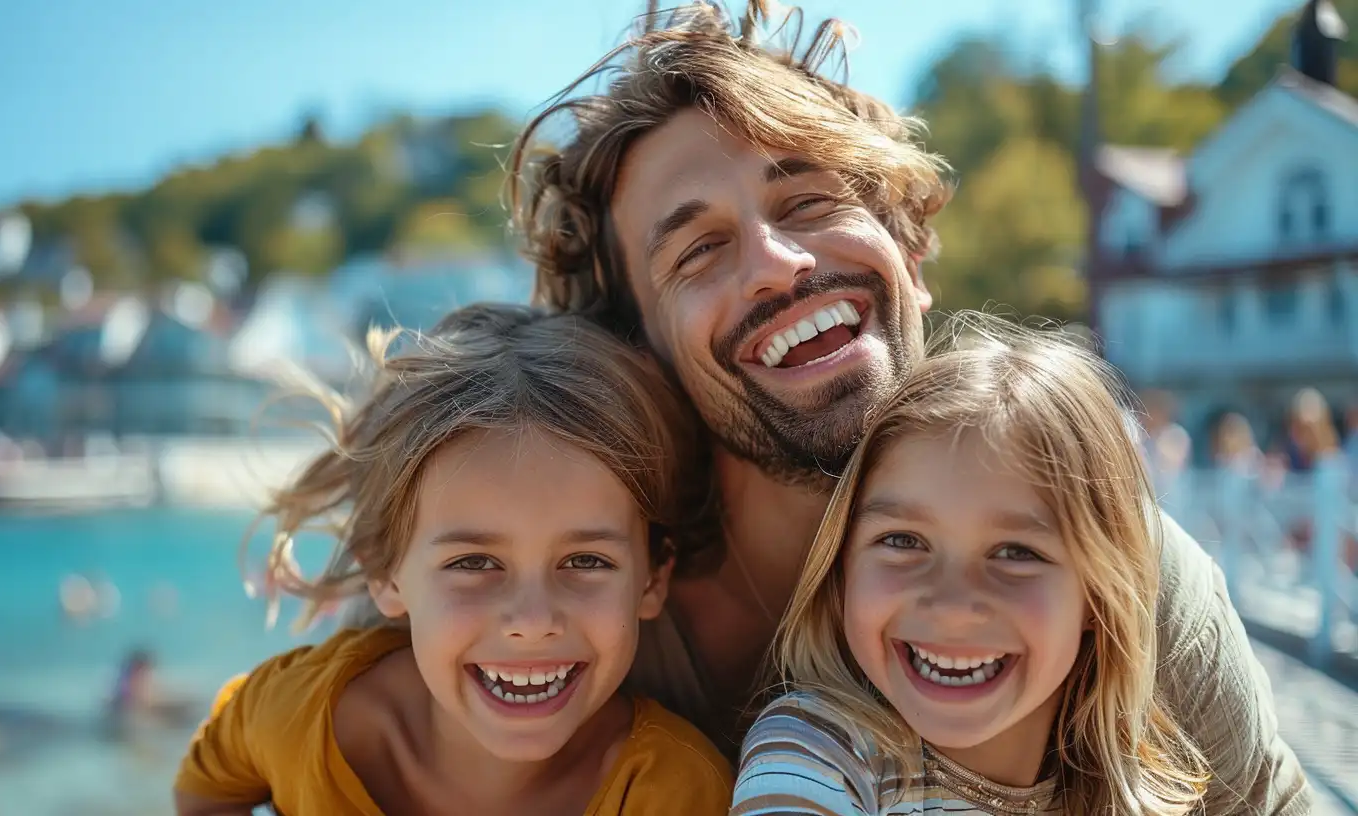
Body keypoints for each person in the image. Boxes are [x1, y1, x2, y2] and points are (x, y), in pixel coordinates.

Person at [497, 0, 1310, 811]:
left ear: (911, 251)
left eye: (810, 203)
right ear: (644, 355)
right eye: (699, 249)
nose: (777, 264)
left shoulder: (1119, 567)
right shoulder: (570, 614)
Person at [173, 304, 732, 815]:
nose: (533, 622)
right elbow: (208, 785)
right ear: (383, 570)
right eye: (473, 563)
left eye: (586, 561)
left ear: (653, 577)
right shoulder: (300, 715)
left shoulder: (669, 793)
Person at [732, 313, 1209, 814]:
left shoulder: (1125, 798)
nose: (952, 606)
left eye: (1016, 553)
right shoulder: (816, 752)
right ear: (843, 569)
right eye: (903, 540)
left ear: (1097, 595)